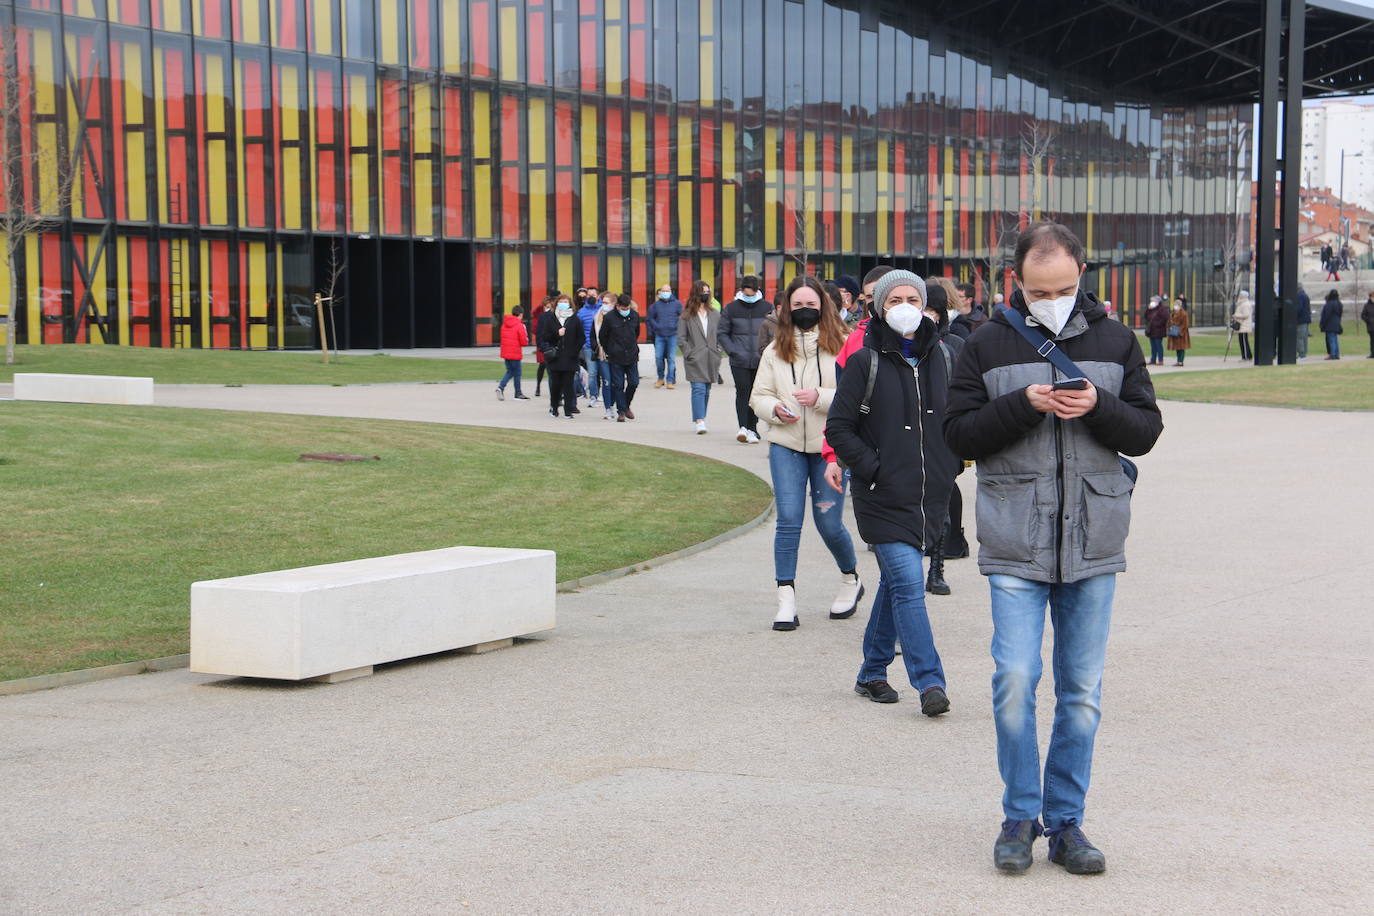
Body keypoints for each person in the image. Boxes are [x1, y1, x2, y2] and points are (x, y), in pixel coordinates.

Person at [943, 221, 1163, 876]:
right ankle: (1020, 813)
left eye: (1065, 288)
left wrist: (1098, 405)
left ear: (1082, 276)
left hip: (1094, 538)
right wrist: (1021, 405)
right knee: (1015, 680)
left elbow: (1146, 430)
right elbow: (956, 436)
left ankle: (1066, 822)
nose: (1054, 298)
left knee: (1081, 691)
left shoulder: (1118, 340)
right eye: (1041, 290)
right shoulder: (984, 343)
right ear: (1017, 281)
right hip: (1016, 535)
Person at [825, 268, 958, 717]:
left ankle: (871, 672)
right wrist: (873, 468)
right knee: (908, 585)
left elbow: (958, 419)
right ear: (878, 307)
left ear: (925, 305)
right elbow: (839, 428)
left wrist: (950, 464)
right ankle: (930, 682)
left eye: (913, 298)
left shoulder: (945, 358)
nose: (905, 307)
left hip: (929, 496)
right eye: (894, 299)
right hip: (881, 496)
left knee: (894, 585)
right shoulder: (865, 361)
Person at [749, 275, 861, 631]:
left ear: (823, 306)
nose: (804, 311)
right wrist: (774, 409)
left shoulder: (842, 343)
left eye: (811, 304)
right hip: (786, 443)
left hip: (830, 448)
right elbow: (758, 396)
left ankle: (850, 579)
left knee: (829, 522)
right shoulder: (774, 350)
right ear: (786, 308)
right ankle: (786, 597)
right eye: (797, 305)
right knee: (789, 520)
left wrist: (821, 397)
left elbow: (856, 396)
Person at [718, 275, 773, 444]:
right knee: (742, 392)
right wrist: (733, 351)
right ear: (741, 290)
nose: (750, 296)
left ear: (757, 290)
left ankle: (752, 428)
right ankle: (743, 427)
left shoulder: (766, 307)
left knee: (756, 395)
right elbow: (722, 332)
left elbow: (773, 330)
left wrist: (768, 352)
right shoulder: (731, 308)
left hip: (760, 359)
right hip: (739, 359)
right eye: (746, 292)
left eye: (752, 292)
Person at [678, 283, 722, 433]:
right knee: (698, 388)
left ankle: (701, 416)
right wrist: (689, 353)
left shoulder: (715, 314)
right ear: (696, 293)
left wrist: (718, 350)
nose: (706, 294)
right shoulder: (686, 315)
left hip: (711, 357)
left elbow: (721, 334)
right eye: (703, 291)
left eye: (708, 291)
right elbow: (681, 338)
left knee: (707, 389)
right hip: (695, 357)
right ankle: (699, 421)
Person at [537, 293, 582, 418]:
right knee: (555, 384)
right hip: (555, 357)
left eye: (566, 302)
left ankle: (568, 410)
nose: (564, 304)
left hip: (570, 357)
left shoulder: (574, 319)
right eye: (561, 301)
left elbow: (581, 337)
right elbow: (545, 336)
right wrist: (557, 334)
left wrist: (575, 351)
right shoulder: (550, 318)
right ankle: (554, 407)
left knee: (568, 385)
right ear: (557, 303)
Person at [600, 293, 642, 419]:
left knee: (633, 382)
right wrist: (610, 350)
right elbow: (603, 336)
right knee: (618, 385)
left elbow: (636, 333)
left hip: (631, 355)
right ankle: (621, 412)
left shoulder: (634, 316)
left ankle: (626, 405)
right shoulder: (609, 317)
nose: (625, 311)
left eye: (627, 308)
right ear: (617, 306)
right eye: (623, 309)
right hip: (616, 356)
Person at [648, 283, 684, 388]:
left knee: (671, 359)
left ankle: (670, 381)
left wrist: (675, 325)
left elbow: (682, 317)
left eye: (667, 291)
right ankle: (660, 378)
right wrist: (657, 327)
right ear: (660, 293)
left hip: (673, 335)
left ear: (671, 292)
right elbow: (651, 318)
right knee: (659, 358)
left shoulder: (677, 304)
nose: (665, 293)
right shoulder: (655, 305)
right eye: (663, 291)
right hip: (660, 335)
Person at [496, 305, 530, 400]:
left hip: (506, 352)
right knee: (517, 373)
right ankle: (518, 393)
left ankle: (500, 388)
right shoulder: (520, 325)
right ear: (521, 314)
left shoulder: (504, 324)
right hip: (515, 352)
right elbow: (523, 341)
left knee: (510, 371)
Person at [576, 292, 603, 406]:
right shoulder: (581, 312)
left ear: (598, 296)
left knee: (603, 372)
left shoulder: (603, 310)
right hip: (588, 346)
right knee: (592, 373)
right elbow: (578, 329)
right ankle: (593, 395)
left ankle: (604, 393)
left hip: (602, 347)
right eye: (589, 295)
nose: (591, 297)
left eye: (594, 294)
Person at [531, 295, 552, 396]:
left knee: (549, 367)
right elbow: (535, 329)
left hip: (550, 343)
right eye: (546, 306)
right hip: (542, 343)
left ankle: (552, 389)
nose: (548, 308)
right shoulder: (539, 316)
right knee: (542, 365)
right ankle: (538, 386)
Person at [1320, 289, 1344, 359]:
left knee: (1331, 339)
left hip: (1329, 324)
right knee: (1335, 339)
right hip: (1336, 323)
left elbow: (1325, 315)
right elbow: (1340, 314)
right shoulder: (1339, 304)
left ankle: (1332, 354)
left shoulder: (1329, 304)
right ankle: (1336, 354)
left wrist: (1322, 323)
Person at [1143, 296, 1167, 365]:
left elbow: (1165, 318)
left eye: (1154, 301)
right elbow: (1146, 317)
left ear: (1158, 302)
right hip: (1151, 331)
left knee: (1158, 345)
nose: (1152, 302)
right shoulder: (1152, 309)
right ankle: (1153, 360)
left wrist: (1157, 324)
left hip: (1159, 331)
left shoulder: (1162, 309)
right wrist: (1148, 309)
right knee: (1153, 346)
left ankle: (1160, 360)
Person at [1167, 296, 1190, 366]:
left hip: (1181, 334)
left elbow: (1185, 324)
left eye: (1176, 304)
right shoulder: (1173, 313)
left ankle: (1181, 361)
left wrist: (1180, 331)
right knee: (1177, 348)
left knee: (1181, 348)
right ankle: (1178, 361)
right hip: (1174, 333)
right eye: (1174, 304)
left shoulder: (1183, 313)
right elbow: (1169, 322)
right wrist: (1170, 327)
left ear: (1179, 305)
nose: (1175, 306)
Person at [1231, 290, 1254, 361]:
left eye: (1240, 295)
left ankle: (1246, 356)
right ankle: (1246, 356)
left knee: (1244, 341)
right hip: (1241, 325)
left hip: (1244, 326)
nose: (1239, 296)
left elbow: (1246, 315)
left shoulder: (1245, 304)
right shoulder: (1241, 303)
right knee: (1242, 341)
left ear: (1243, 296)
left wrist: (1236, 316)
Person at [1296, 285, 1312, 359]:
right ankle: (1304, 353)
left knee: (1299, 337)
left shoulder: (1299, 296)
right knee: (1304, 337)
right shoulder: (1305, 295)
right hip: (1306, 319)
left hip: (1300, 320)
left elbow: (1299, 308)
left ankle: (1301, 354)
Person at [1362, 291, 1374, 358]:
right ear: (1370, 297)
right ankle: (1372, 354)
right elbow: (1363, 315)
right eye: (1372, 297)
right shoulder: (1366, 305)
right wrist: (1368, 320)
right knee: (1372, 341)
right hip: (1371, 327)